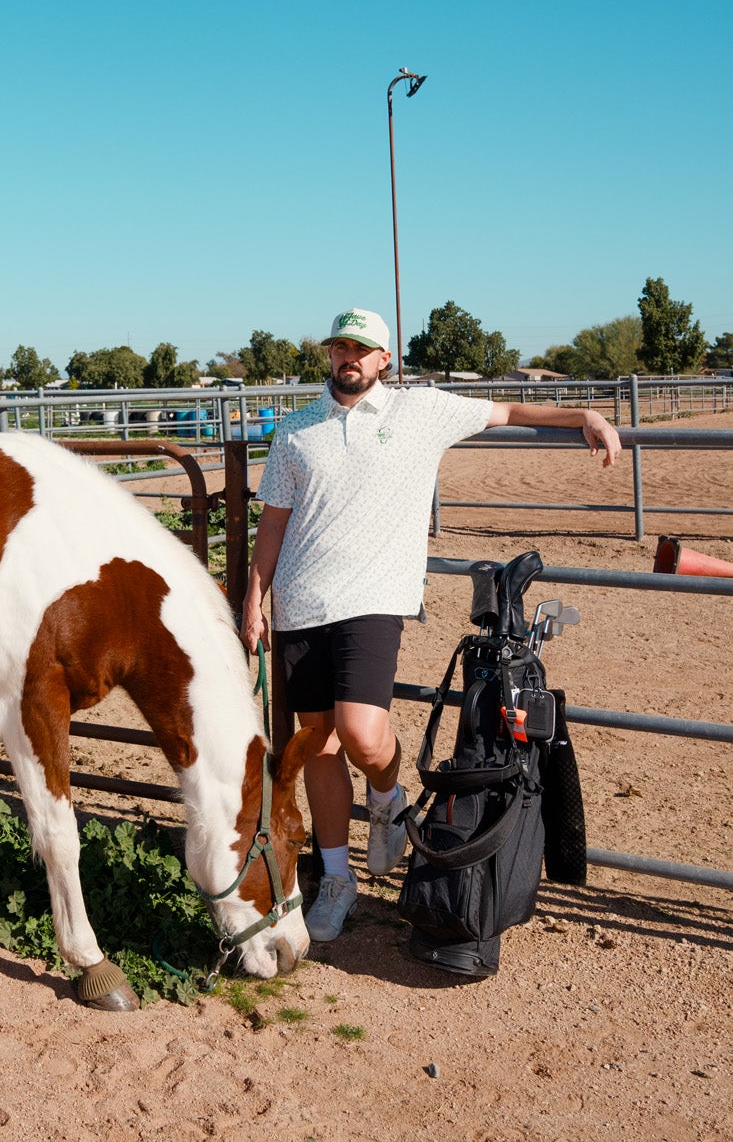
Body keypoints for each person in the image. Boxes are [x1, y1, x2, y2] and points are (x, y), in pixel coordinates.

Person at [241, 307, 622, 942]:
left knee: (363, 735)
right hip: (300, 602)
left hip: (372, 598)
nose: (348, 358)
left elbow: (505, 412)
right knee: (317, 744)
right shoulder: (296, 431)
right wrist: (254, 597)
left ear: (384, 360)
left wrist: (581, 415)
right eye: (340, 347)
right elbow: (274, 524)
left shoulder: (419, 411)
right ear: (329, 355)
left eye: (362, 349)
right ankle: (337, 879)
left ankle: (388, 799)